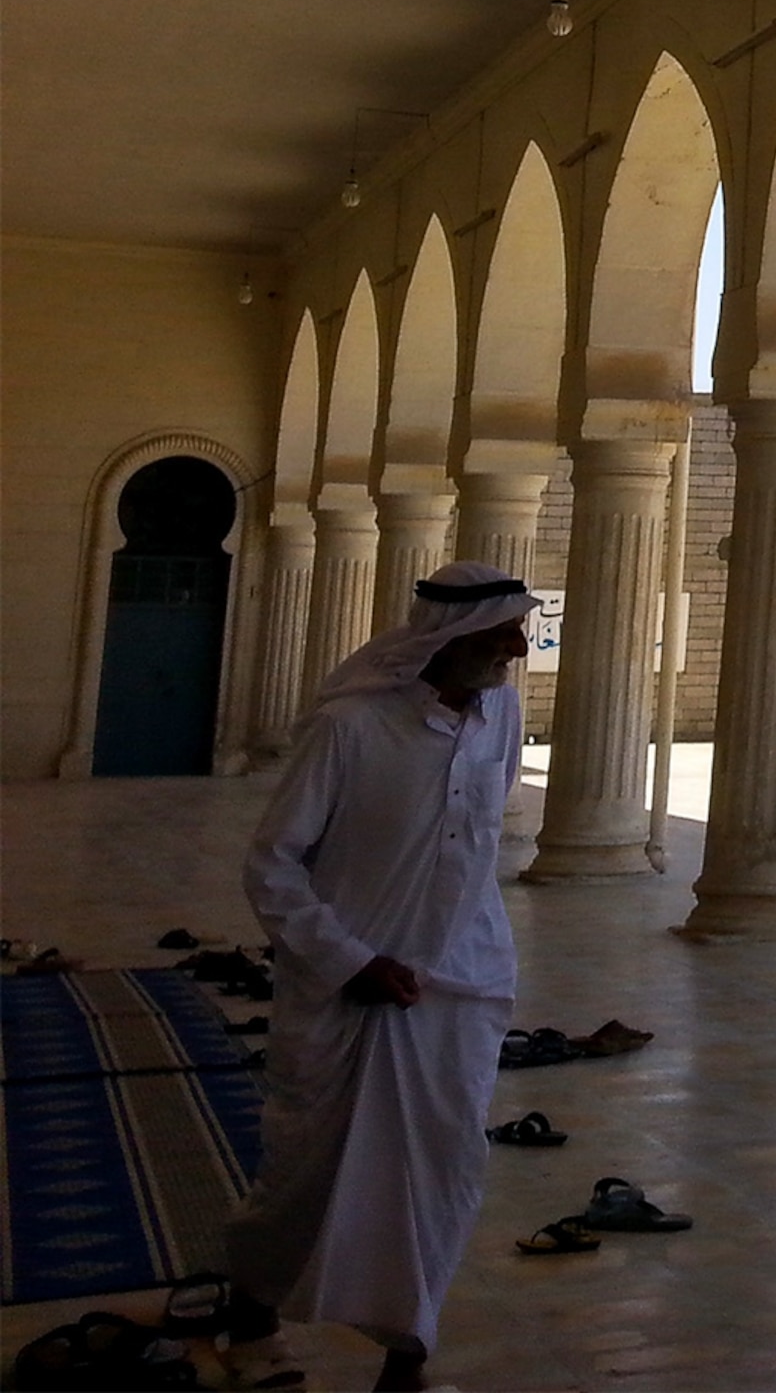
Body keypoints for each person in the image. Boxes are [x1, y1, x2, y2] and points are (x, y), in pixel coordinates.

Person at [222, 561, 535, 1393]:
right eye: (504, 631)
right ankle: (249, 1311)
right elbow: (274, 864)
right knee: (305, 1169)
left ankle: (408, 1357)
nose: (517, 646)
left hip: (457, 985)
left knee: (444, 1165)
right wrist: (351, 961)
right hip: (344, 988)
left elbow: (481, 830)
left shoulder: (500, 711)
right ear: (448, 637)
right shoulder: (352, 729)